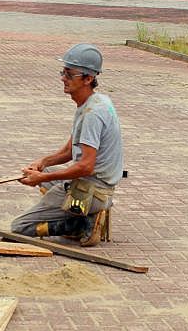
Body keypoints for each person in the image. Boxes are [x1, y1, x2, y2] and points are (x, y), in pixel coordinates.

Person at [11, 43, 123, 247]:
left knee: (19, 227)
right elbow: (70, 150)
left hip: (92, 189)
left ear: (88, 79)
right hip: (94, 182)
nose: (63, 78)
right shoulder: (93, 102)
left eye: (70, 75)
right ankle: (83, 214)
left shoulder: (92, 114)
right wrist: (43, 163)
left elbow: (85, 166)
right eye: (63, 72)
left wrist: (43, 178)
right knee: (45, 174)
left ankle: (78, 224)